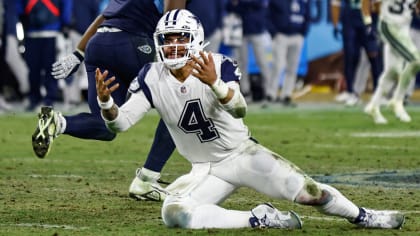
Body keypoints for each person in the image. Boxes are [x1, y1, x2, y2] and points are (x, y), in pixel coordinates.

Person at [96, 9, 405, 230]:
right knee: (174, 214)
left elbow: (239, 109)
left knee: (312, 194)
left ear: (195, 39)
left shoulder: (219, 64)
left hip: (242, 155)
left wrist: (214, 83)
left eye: (180, 38)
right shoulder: (151, 75)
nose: (173, 46)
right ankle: (259, 218)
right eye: (167, 39)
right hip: (206, 169)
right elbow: (120, 123)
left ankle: (363, 215)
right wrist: (107, 103)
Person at [31, 0, 187, 201]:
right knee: (178, 106)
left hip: (98, 45)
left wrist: (78, 53)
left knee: (106, 125)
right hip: (134, 44)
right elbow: (172, 22)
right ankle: (147, 179)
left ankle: (57, 122)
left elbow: (105, 17)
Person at [363, 0, 420, 124]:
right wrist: (368, 23)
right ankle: (397, 100)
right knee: (416, 60)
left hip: (404, 29)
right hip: (389, 26)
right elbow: (367, 2)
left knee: (392, 71)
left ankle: (374, 105)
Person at [17, 0, 73, 111]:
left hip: (33, 32)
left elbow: (19, 8)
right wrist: (65, 24)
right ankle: (49, 100)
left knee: (34, 70)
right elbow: (66, 6)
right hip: (51, 31)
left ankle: (35, 99)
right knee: (51, 69)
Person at [331, 0, 383, 106]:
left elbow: (378, 5)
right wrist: (335, 24)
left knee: (374, 57)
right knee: (350, 56)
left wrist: (375, 23)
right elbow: (335, 3)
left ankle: (378, 93)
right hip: (350, 21)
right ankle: (350, 91)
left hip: (367, 20)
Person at [265, 0, 312, 106]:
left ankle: (286, 94)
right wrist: (274, 32)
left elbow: (308, 15)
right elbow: (267, 15)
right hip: (281, 35)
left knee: (292, 67)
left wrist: (303, 32)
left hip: (297, 35)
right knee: (278, 65)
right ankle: (271, 93)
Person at [226, 0, 271, 102]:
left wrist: (241, 3)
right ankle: (245, 92)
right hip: (241, 31)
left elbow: (260, 4)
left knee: (262, 62)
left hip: (257, 30)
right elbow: (230, 7)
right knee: (242, 64)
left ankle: (269, 92)